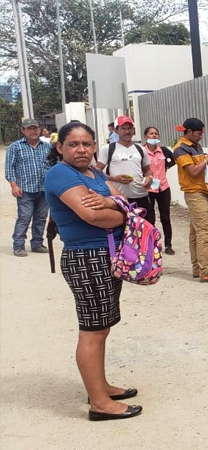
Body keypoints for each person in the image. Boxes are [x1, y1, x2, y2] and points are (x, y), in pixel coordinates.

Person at [44, 122, 142, 421]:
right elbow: (93, 216)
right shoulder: (61, 173)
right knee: (92, 331)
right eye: (73, 144)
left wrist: (112, 204)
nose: (82, 149)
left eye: (87, 143)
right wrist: (119, 212)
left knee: (102, 327)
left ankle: (100, 387)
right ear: (60, 147)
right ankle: (100, 404)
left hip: (106, 257)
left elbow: (126, 204)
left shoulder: (95, 174)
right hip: (86, 258)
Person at [173, 118, 208, 282]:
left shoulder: (195, 146)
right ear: (188, 132)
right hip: (194, 192)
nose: (201, 137)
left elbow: (207, 168)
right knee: (203, 231)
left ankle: (198, 268)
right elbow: (194, 172)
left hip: (202, 191)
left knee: (195, 233)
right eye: (199, 133)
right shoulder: (180, 149)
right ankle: (207, 271)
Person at [5, 118, 51, 257]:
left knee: (41, 217)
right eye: (29, 128)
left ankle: (37, 243)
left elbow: (53, 165)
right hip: (25, 189)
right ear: (23, 131)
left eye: (35, 128)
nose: (33, 131)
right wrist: (14, 186)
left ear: (39, 129)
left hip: (44, 189)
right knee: (24, 217)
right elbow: (9, 168)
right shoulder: (15, 147)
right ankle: (19, 245)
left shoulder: (47, 146)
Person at [96, 115, 154, 216]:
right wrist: (114, 178)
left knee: (144, 227)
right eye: (123, 128)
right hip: (118, 198)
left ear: (134, 130)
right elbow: (96, 172)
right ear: (116, 130)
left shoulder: (141, 149)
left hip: (140, 196)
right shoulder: (108, 149)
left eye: (130, 128)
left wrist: (149, 177)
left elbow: (147, 170)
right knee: (122, 228)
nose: (127, 131)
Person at [143, 127, 176, 255]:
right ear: (146, 136)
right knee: (150, 217)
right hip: (149, 188)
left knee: (165, 217)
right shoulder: (142, 151)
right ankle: (151, 244)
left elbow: (174, 160)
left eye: (156, 133)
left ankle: (168, 245)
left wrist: (166, 167)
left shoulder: (164, 151)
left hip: (163, 187)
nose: (154, 135)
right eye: (151, 133)